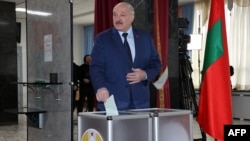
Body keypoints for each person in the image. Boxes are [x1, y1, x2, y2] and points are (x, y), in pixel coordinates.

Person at [90, 2, 162, 111]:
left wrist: (145, 74)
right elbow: (96, 67)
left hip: (141, 103)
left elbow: (156, 63)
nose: (117, 18)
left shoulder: (145, 38)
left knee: (139, 129)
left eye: (122, 15)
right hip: (112, 101)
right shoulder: (103, 39)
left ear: (132, 17)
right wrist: (101, 87)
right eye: (115, 14)